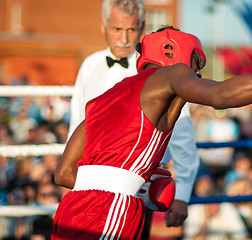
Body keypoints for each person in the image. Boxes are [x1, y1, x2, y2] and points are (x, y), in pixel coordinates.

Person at [51, 25, 252, 239]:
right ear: (172, 52)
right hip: (110, 211)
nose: (198, 73)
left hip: (71, 210)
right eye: (195, 62)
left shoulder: (102, 100)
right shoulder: (169, 74)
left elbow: (64, 173)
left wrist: (137, 184)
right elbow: (220, 96)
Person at [68, 0, 200, 229]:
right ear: (103, 25)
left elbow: (183, 135)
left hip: (141, 186)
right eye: (117, 29)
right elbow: (76, 125)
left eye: (131, 29)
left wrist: (182, 194)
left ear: (142, 27)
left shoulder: (160, 69)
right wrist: (71, 181)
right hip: (89, 188)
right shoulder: (90, 65)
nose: (124, 38)